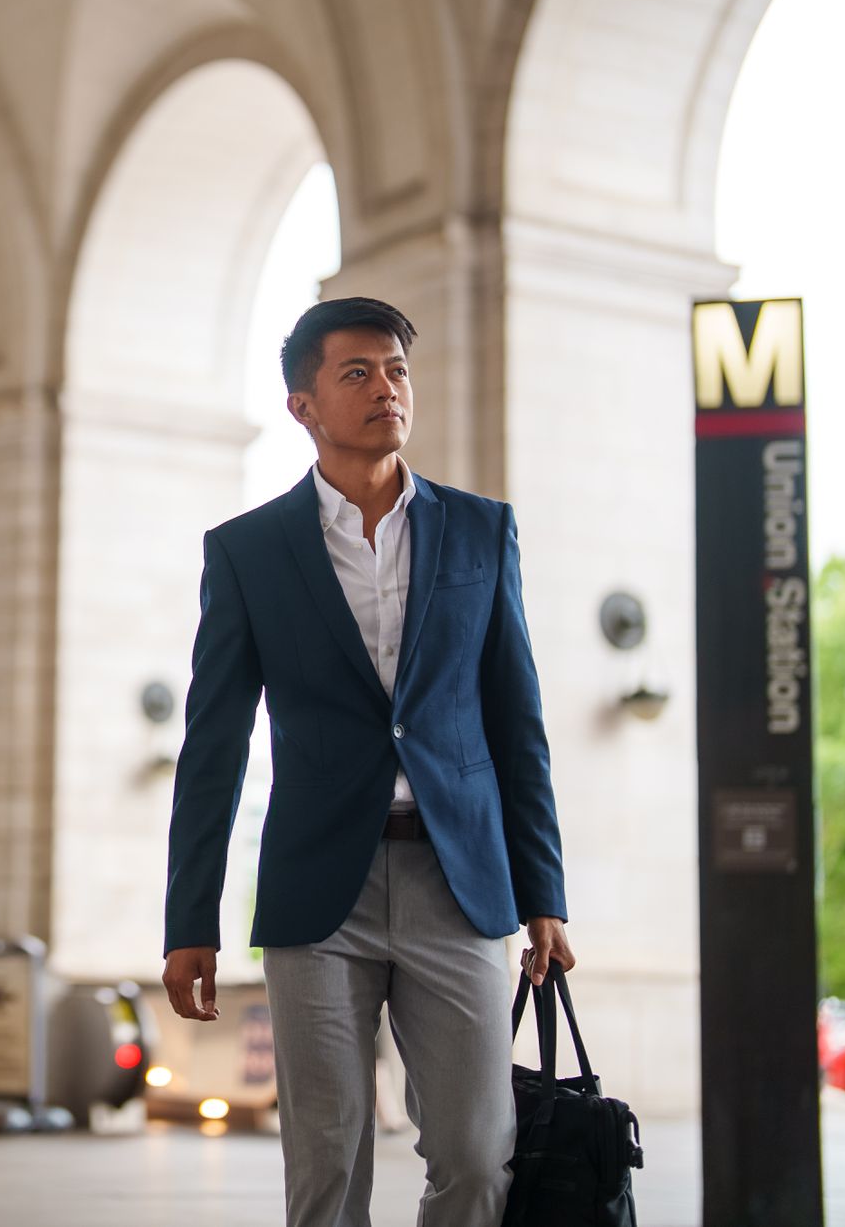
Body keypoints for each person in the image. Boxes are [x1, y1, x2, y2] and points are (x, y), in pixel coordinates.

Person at [162, 297, 575, 1227]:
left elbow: (519, 723)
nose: (386, 388)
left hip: (458, 879)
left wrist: (542, 890)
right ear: (302, 404)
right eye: (357, 374)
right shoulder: (248, 553)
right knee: (327, 1165)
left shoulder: (480, 532)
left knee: (476, 1156)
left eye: (396, 370)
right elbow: (214, 744)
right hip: (319, 893)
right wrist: (190, 916)